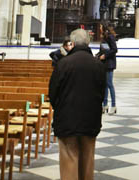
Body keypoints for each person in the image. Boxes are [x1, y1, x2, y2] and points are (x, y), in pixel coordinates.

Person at [48, 28, 106, 180]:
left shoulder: (63, 63)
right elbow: (101, 93)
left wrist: (61, 108)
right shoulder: (98, 65)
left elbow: (53, 93)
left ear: (72, 43)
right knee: (88, 158)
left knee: (69, 157)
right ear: (88, 42)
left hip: (67, 119)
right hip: (90, 119)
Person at [99, 24, 117, 113]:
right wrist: (98, 55)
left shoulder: (110, 37)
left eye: (100, 27)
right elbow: (103, 50)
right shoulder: (103, 38)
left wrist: (105, 55)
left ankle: (113, 105)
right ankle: (105, 104)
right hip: (103, 63)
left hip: (109, 63)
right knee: (104, 85)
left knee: (109, 84)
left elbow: (114, 49)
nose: (99, 28)